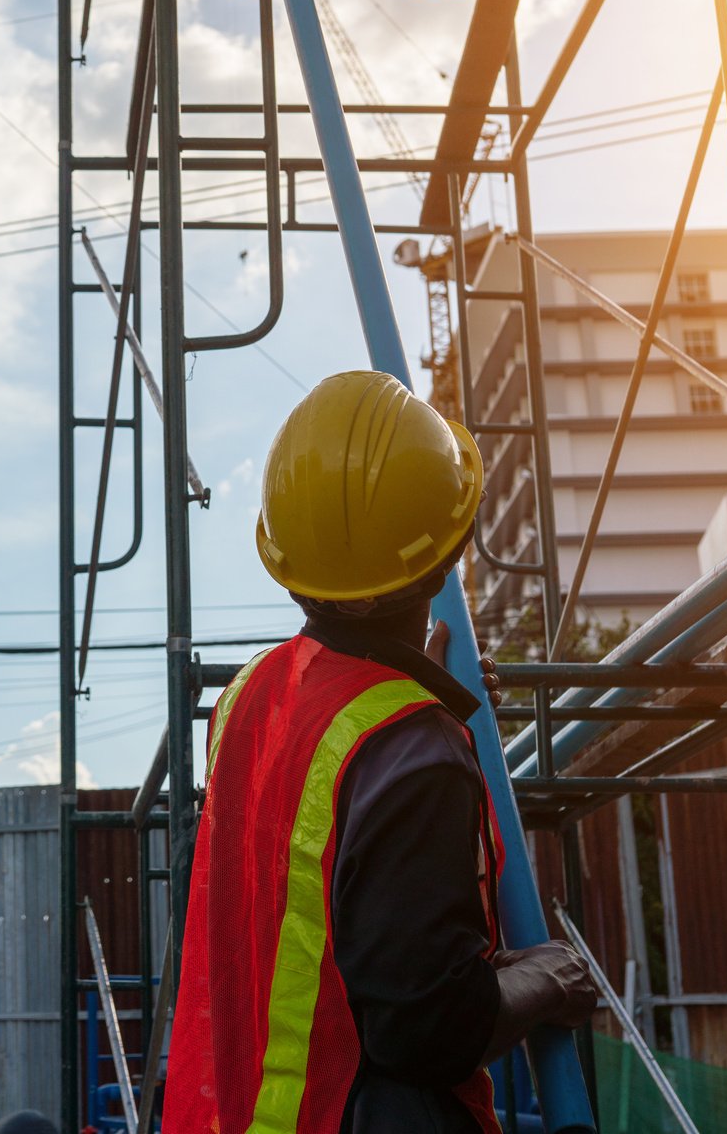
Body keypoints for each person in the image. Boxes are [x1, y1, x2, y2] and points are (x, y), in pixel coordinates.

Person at [162, 371, 598, 1134]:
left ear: (290, 565)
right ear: (445, 556)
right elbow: (427, 1029)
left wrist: (423, 688)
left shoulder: (248, 698)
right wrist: (549, 981)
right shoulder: (416, 752)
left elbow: (321, 901)